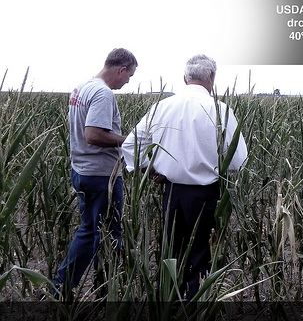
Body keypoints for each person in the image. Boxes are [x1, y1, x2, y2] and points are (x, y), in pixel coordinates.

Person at [122, 54, 247, 301]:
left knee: (172, 252)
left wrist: (152, 169)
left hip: (172, 192)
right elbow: (238, 160)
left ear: (185, 78)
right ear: (212, 77)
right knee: (201, 254)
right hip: (206, 194)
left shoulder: (162, 106)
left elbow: (131, 145)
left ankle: (168, 305)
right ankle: (195, 305)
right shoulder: (219, 110)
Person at [52, 48, 138, 300]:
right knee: (102, 233)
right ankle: (71, 288)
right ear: (121, 69)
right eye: (129, 75)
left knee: (92, 230)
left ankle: (97, 287)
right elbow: (93, 135)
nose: (128, 81)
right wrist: (130, 141)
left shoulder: (82, 87)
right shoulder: (102, 93)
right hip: (100, 175)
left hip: (81, 170)